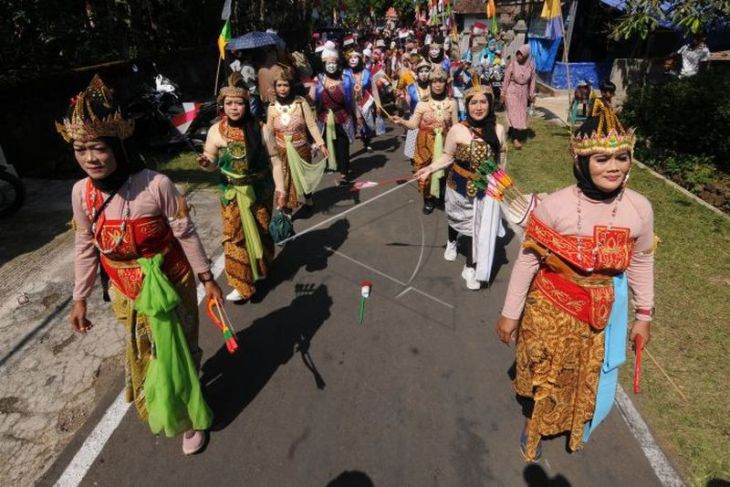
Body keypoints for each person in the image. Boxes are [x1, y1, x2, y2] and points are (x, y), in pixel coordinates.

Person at [62, 75, 222, 454]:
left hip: (173, 281)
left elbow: (185, 233)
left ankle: (188, 412)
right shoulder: (80, 193)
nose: (89, 158)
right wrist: (80, 297)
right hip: (124, 289)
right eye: (80, 149)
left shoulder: (156, 185)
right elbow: (85, 244)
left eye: (98, 148)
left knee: (181, 348)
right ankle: (164, 399)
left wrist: (207, 278)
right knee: (149, 352)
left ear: (119, 145)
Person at [495, 104, 654, 462]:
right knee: (546, 372)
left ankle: (571, 422)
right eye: (601, 159)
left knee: (582, 374)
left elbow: (642, 259)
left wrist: (644, 314)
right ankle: (533, 425)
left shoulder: (640, 209)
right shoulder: (555, 206)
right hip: (549, 305)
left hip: (597, 313)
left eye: (622, 157)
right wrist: (510, 312)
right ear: (582, 162)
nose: (613, 167)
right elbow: (528, 259)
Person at [414, 81, 507, 289]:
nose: (479, 107)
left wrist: (501, 185)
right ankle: (452, 241)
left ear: (490, 104)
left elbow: (501, 163)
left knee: (478, 228)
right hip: (458, 185)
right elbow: (448, 156)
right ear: (467, 105)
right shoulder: (457, 130)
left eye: (483, 102)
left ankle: (471, 267)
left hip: (484, 189)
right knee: (455, 219)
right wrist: (429, 169)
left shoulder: (499, 130)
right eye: (474, 102)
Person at [199, 73, 276, 302]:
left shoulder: (260, 129)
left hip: (260, 192)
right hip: (231, 195)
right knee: (234, 238)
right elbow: (211, 161)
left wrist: (281, 190)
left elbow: (276, 159)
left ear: (247, 104)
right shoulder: (216, 131)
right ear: (222, 105)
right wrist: (206, 164)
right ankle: (242, 284)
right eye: (229, 103)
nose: (234, 108)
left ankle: (260, 269)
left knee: (261, 233)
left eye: (239, 103)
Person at [391, 65, 459, 214]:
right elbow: (413, 124)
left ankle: (440, 197)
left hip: (445, 144)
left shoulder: (452, 103)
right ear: (430, 83)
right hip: (424, 144)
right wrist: (401, 121)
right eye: (434, 81)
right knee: (424, 172)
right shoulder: (422, 104)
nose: (438, 84)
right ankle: (428, 199)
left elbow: (455, 127)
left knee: (444, 172)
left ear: (445, 83)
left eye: (441, 81)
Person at [265, 68, 329, 213]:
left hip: (301, 147)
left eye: (285, 85)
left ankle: (308, 198)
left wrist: (321, 144)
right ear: (275, 87)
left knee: (304, 177)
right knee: (286, 179)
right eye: (279, 85)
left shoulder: (301, 103)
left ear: (291, 86)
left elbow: (311, 125)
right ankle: (287, 209)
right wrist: (267, 149)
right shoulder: (272, 108)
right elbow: (269, 131)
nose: (282, 89)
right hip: (281, 150)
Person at [314, 42, 356, 186]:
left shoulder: (345, 79)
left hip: (342, 117)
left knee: (343, 146)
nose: (331, 65)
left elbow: (352, 101)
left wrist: (357, 117)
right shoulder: (318, 80)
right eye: (328, 63)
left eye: (334, 63)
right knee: (327, 143)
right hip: (324, 118)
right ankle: (331, 164)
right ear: (324, 64)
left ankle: (344, 173)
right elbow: (312, 99)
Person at [344, 49, 381, 151]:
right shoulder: (345, 74)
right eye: (350, 58)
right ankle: (362, 137)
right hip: (352, 102)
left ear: (360, 60)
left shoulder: (367, 73)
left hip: (366, 101)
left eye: (355, 58)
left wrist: (378, 105)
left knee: (368, 123)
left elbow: (374, 89)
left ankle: (367, 139)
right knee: (357, 121)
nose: (353, 60)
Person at [502, 44, 536, 149]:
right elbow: (506, 79)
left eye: (521, 55)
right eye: (518, 54)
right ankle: (515, 140)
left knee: (520, 115)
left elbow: (533, 81)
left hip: (523, 93)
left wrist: (532, 94)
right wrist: (503, 93)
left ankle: (510, 133)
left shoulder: (531, 67)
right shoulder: (512, 65)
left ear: (526, 56)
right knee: (514, 114)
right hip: (512, 91)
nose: (519, 57)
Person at [401, 58, 432, 161]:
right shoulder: (411, 87)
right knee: (412, 153)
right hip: (415, 119)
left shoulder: (434, 86)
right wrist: (402, 99)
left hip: (431, 122)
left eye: (426, 71)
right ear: (417, 73)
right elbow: (407, 106)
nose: (424, 74)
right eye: (421, 71)